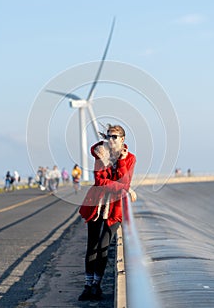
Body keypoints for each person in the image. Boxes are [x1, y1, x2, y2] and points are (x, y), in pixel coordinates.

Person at [78, 124, 137, 301]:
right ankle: (88, 286)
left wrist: (120, 165)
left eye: (115, 137)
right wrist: (125, 189)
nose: (111, 140)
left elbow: (125, 181)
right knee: (92, 246)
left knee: (104, 247)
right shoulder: (100, 154)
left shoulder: (130, 158)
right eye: (109, 136)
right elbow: (99, 181)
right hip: (97, 204)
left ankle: (97, 285)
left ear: (122, 139)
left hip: (115, 207)